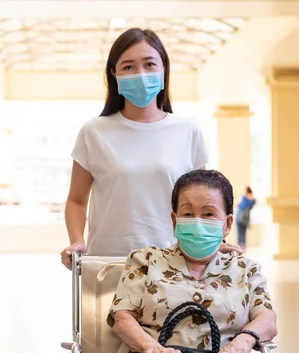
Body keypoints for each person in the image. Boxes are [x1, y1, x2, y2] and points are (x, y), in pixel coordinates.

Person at [61, 27, 241, 268]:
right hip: (109, 263)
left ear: (164, 69)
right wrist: (77, 241)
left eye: (149, 64)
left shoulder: (188, 132)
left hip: (174, 265)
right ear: (114, 73)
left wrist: (213, 241)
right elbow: (77, 200)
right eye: (128, 67)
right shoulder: (94, 132)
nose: (141, 74)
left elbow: (201, 203)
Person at [105, 170, 277, 353]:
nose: (197, 221)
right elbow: (122, 318)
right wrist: (152, 348)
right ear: (175, 220)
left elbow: (268, 319)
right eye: (188, 213)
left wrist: (242, 343)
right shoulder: (145, 260)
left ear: (226, 224)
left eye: (208, 214)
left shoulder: (246, 269)